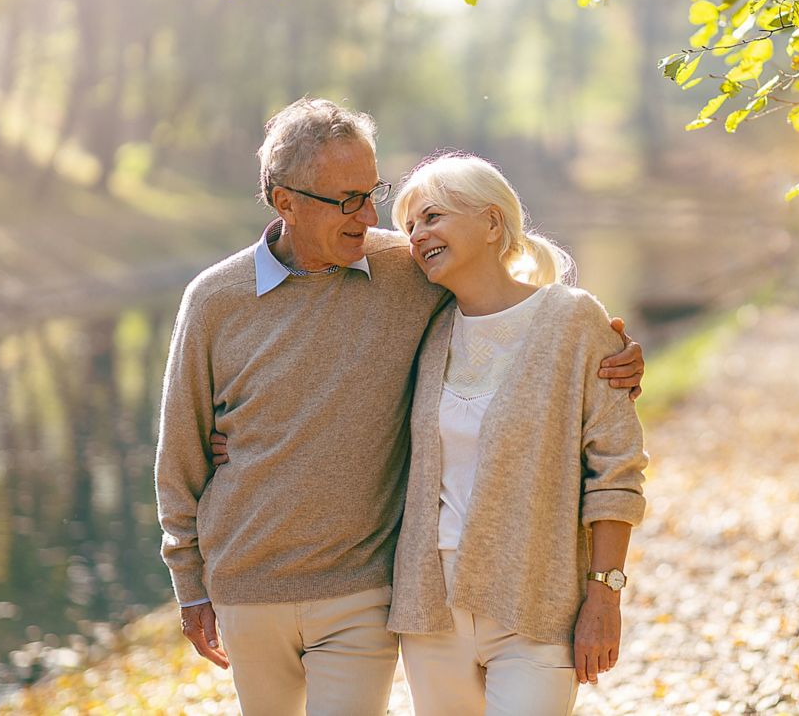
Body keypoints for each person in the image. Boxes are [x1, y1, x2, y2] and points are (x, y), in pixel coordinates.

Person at [154, 98, 644, 715]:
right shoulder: (215, 299)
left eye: (372, 191)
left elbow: (516, 315)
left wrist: (616, 359)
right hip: (248, 585)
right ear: (286, 202)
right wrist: (190, 584)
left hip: (365, 587)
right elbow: (181, 453)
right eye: (347, 200)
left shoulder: (405, 270)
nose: (372, 218)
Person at [387, 153, 647, 716]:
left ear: (490, 222)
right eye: (409, 227)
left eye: (432, 216)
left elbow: (616, 467)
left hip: (537, 595)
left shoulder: (574, 319)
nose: (417, 236)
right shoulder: (425, 331)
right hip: (430, 606)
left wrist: (605, 593)